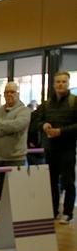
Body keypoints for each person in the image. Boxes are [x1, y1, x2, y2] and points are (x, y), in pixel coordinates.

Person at [35, 71, 77, 224]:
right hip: (50, 148)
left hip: (68, 148)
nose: (60, 84)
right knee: (51, 181)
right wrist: (44, 126)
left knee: (68, 181)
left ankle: (68, 212)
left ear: (68, 84)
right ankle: (53, 211)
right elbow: (38, 121)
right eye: (58, 82)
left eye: (63, 82)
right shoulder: (46, 104)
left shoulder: (74, 102)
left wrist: (61, 131)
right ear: (53, 84)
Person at [0, 82, 31, 196]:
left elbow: (17, 126)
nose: (9, 94)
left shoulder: (24, 111)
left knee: (15, 192)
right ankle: (4, 214)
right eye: (6, 92)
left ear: (18, 94)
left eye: (12, 92)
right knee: (1, 192)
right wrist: (7, 129)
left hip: (15, 158)